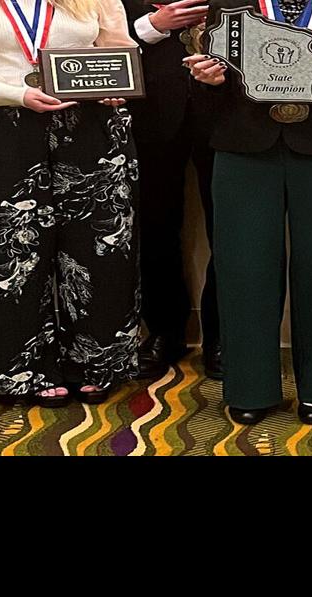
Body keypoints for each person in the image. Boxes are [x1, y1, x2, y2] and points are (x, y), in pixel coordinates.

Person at [0, 0, 142, 407]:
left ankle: (96, 361)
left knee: (101, 249)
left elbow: (118, 51)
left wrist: (114, 87)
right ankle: (18, 369)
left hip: (87, 126)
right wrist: (10, 92)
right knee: (6, 251)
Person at [185, 0, 312, 425]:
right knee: (244, 268)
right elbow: (207, 94)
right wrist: (207, 80)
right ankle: (249, 387)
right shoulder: (228, 11)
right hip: (243, 148)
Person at [120, 0, 224, 380]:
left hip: (230, 112)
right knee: (154, 227)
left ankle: (223, 335)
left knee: (229, 229)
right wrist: (153, 25)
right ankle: (165, 331)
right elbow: (95, 38)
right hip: (149, 113)